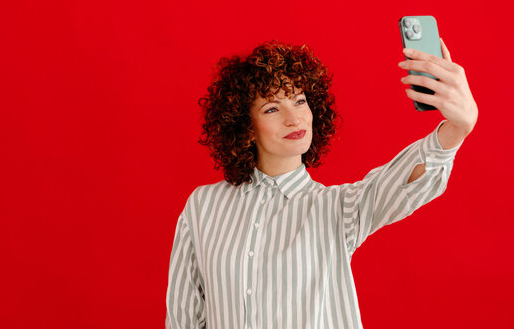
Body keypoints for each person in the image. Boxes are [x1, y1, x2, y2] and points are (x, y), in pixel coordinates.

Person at [164, 39, 478, 328]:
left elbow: (403, 181)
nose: (293, 118)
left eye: (299, 101)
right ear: (246, 126)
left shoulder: (338, 208)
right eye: (272, 108)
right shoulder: (203, 207)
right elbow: (183, 319)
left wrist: (457, 128)